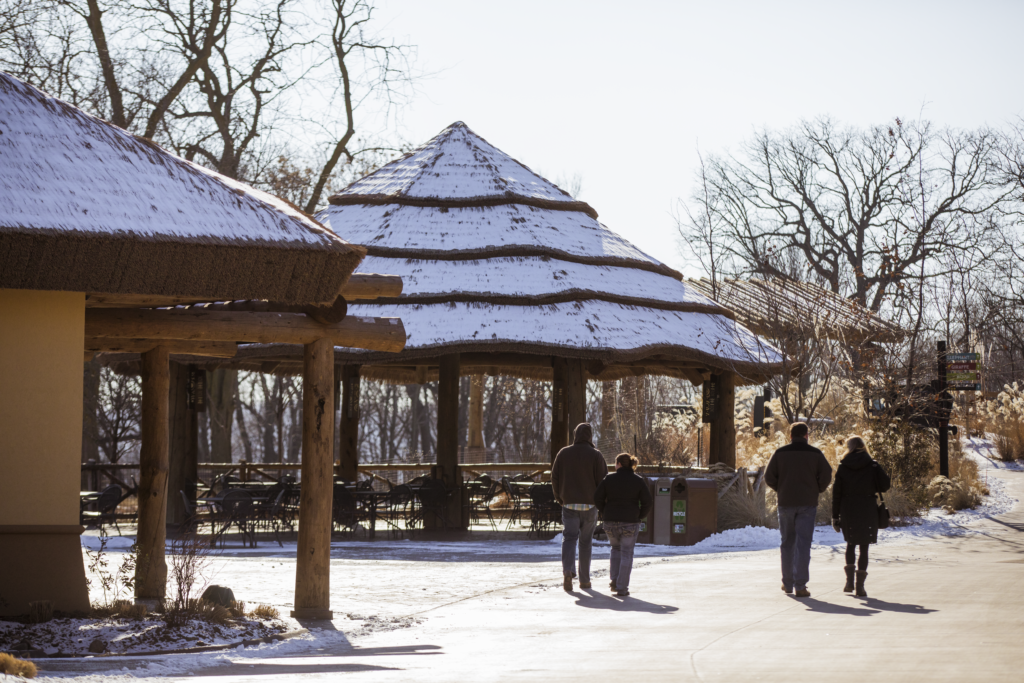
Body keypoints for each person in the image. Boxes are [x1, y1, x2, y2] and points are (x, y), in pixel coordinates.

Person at [765, 422, 833, 598]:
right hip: (807, 504)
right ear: (806, 435)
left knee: (787, 542)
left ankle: (787, 583)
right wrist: (816, 489)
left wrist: (780, 488)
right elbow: (827, 474)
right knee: (803, 543)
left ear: (790, 436)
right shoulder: (816, 454)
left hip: (786, 502)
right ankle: (800, 586)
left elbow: (769, 477)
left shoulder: (780, 453)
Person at [831, 435, 891, 597]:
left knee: (851, 543)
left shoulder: (843, 466)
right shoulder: (872, 465)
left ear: (849, 448)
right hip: (867, 508)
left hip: (848, 508)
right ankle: (860, 587)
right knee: (864, 546)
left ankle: (849, 582)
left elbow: (836, 493)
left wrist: (835, 516)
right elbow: (885, 485)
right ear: (864, 447)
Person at [551, 423, 607, 592]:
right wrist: (600, 503)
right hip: (590, 506)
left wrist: (559, 498)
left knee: (569, 538)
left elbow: (555, 477)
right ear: (590, 436)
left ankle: (568, 572)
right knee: (585, 542)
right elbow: (603, 482)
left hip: (569, 505)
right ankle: (584, 580)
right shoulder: (596, 455)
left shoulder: (563, 453)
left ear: (575, 435)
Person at [594, 453, 653, 597]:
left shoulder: (609, 479)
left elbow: (597, 497)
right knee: (627, 553)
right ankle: (622, 587)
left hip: (610, 522)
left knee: (615, 549)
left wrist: (605, 511)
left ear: (619, 464)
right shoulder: (638, 481)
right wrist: (639, 516)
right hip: (630, 522)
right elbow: (648, 502)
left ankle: (614, 581)